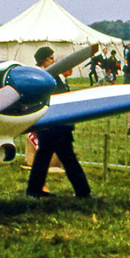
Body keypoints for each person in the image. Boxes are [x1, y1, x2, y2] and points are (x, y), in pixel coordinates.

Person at [26, 46, 91, 199]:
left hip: (54, 125)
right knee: (68, 159)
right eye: (50, 58)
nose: (53, 61)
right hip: (54, 125)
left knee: (45, 158)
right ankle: (83, 192)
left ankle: (34, 190)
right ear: (43, 60)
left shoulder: (51, 75)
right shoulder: (43, 76)